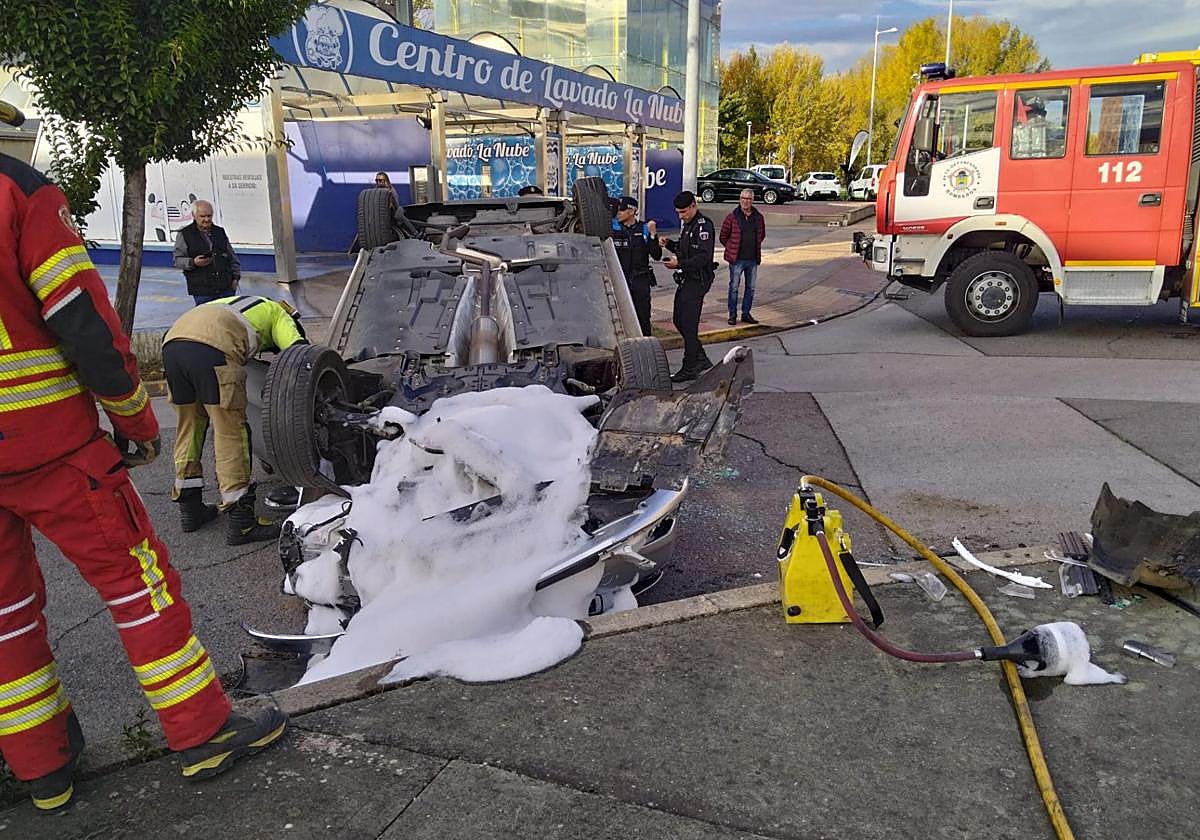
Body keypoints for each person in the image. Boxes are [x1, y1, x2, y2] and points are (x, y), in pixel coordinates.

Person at [0, 141, 286, 812]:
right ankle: (202, 731)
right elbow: (82, 321)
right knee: (137, 586)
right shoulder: (17, 192)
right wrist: (132, 420)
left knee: (5, 618)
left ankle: (42, 771)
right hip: (50, 448)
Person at [163, 295, 307, 544]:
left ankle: (191, 508)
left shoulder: (238, 302)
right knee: (230, 431)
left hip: (173, 345)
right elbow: (299, 355)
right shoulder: (279, 313)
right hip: (213, 350)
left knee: (190, 427)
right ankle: (241, 521)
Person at [658, 190, 716, 383]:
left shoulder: (703, 226)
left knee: (689, 326)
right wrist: (670, 245)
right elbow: (686, 250)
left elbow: (702, 257)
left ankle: (690, 366)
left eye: (683, 212)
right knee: (678, 320)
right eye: (678, 212)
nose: (680, 216)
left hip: (697, 280)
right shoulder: (688, 226)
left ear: (693, 206)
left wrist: (679, 264)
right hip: (686, 279)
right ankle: (700, 358)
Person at [173, 200, 241, 306]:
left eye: (209, 216)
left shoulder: (219, 232)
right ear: (194, 216)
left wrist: (236, 278)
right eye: (202, 216)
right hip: (202, 291)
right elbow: (177, 260)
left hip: (226, 288)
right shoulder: (185, 234)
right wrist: (193, 262)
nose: (206, 219)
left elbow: (231, 256)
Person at [610, 196, 660, 336]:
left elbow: (656, 255)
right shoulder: (612, 228)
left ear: (632, 211)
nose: (618, 213)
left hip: (640, 281)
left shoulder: (644, 228)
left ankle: (646, 348)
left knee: (643, 318)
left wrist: (653, 235)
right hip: (620, 281)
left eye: (622, 210)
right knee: (619, 318)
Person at [718, 189, 766, 326]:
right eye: (743, 198)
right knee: (734, 287)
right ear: (740, 199)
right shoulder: (732, 217)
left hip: (752, 259)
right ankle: (732, 315)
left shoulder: (758, 217)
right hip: (737, 259)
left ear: (752, 200)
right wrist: (731, 247)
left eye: (748, 199)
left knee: (750, 288)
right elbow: (723, 236)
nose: (745, 201)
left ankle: (746, 313)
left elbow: (761, 235)